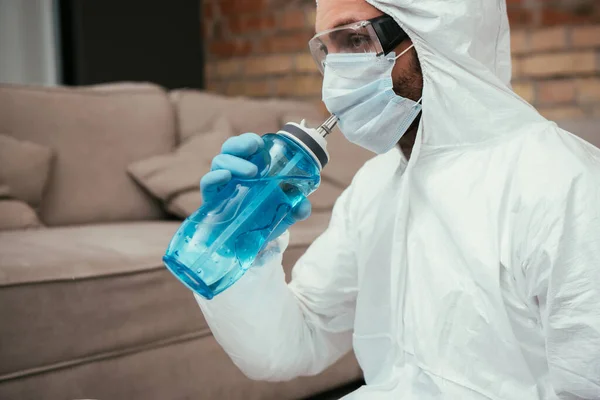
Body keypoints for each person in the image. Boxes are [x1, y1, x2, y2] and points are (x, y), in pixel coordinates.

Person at [195, 0, 600, 398]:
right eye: (327, 51)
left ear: (441, 34)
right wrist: (238, 243)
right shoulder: (375, 186)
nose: (335, 76)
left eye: (355, 40)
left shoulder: (566, 185)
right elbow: (292, 343)